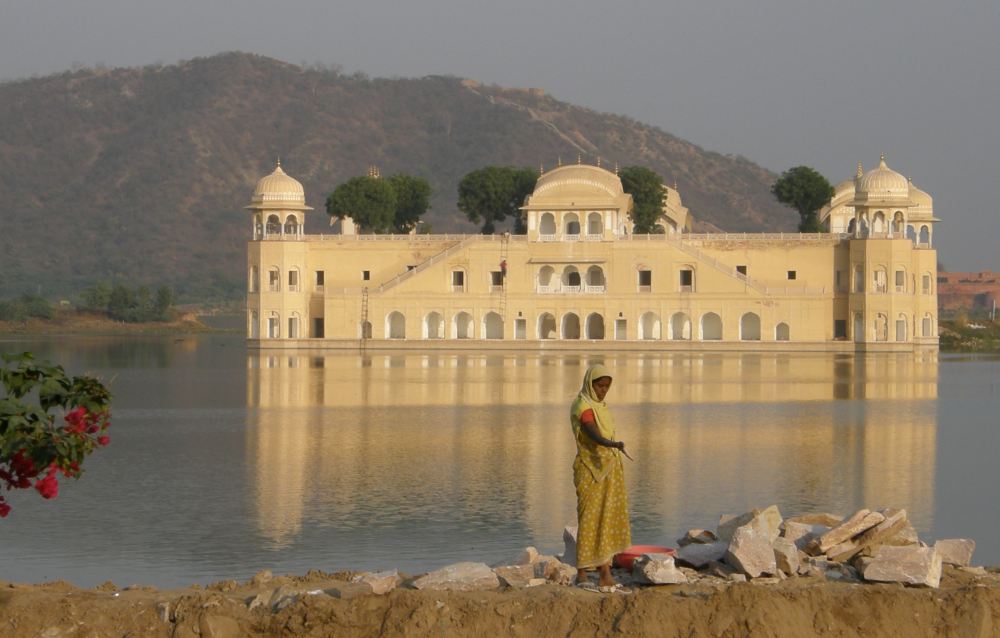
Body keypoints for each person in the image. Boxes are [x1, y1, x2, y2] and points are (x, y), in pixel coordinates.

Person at [570, 364, 632, 593]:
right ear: (590, 384)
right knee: (589, 518)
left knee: (607, 516)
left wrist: (613, 448)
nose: (603, 390)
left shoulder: (601, 406)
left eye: (606, 386)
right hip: (589, 469)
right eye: (599, 386)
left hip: (608, 468)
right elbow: (591, 431)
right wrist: (610, 444)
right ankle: (586, 571)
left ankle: (603, 567)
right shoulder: (582, 405)